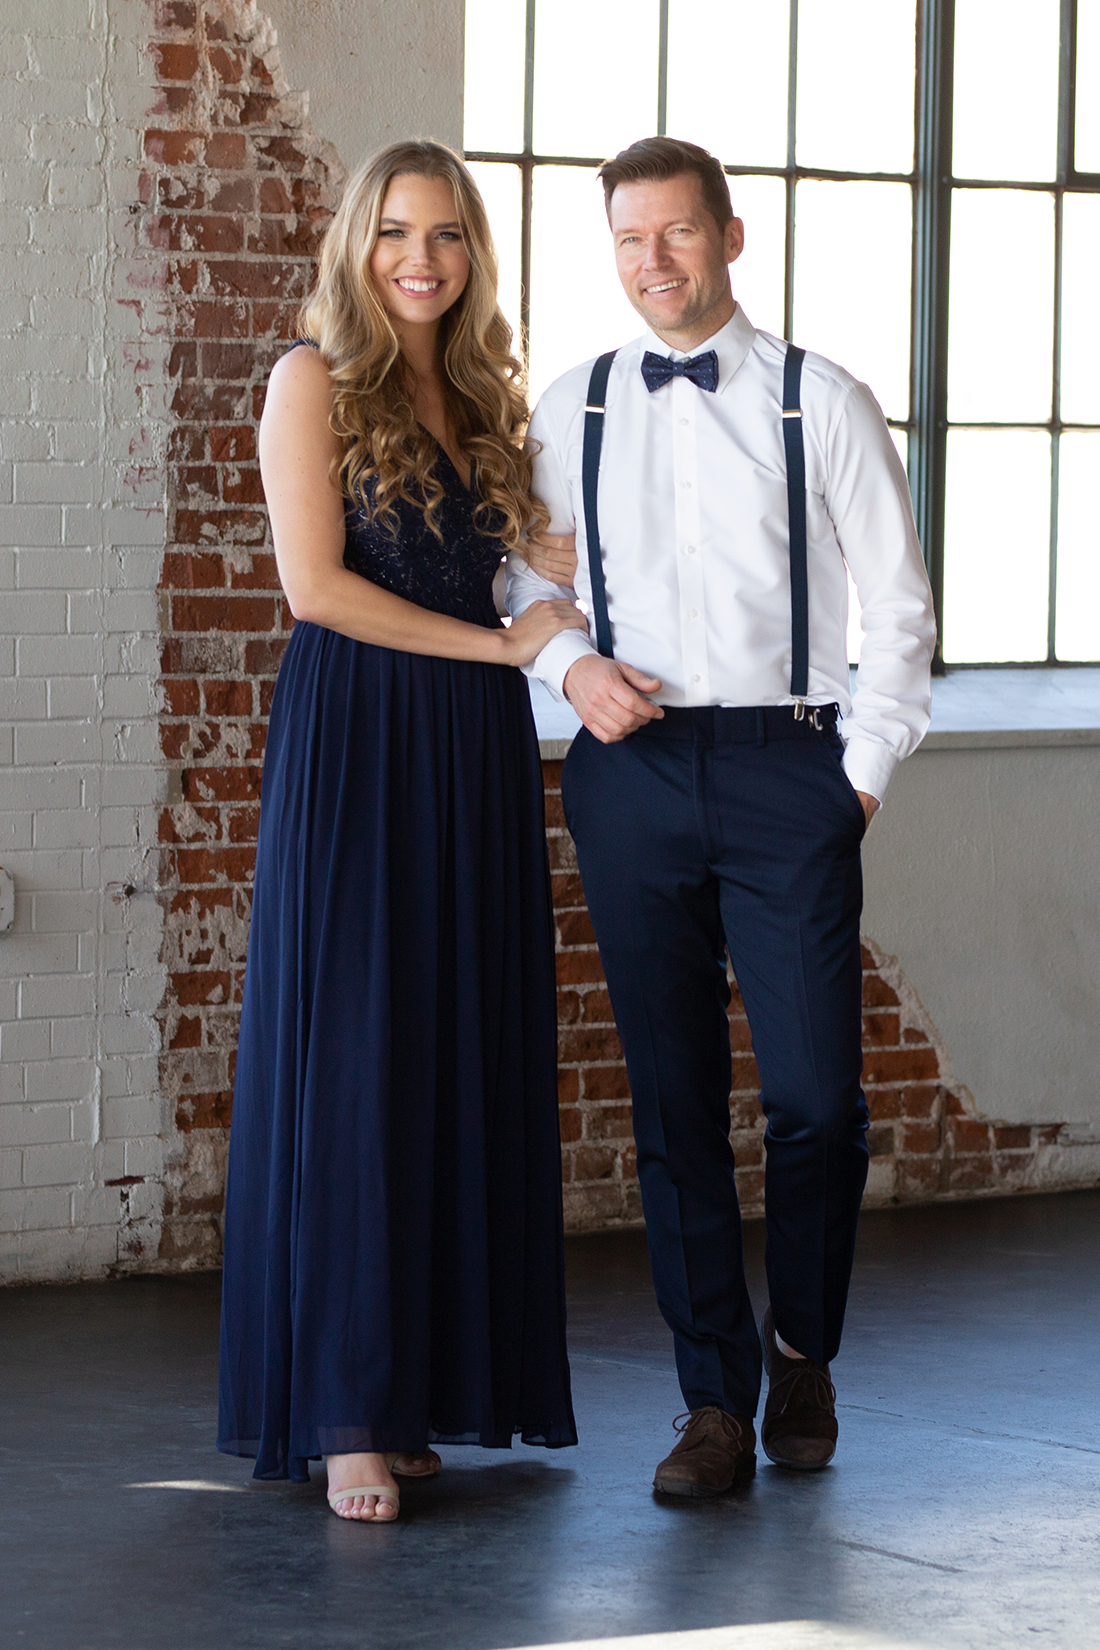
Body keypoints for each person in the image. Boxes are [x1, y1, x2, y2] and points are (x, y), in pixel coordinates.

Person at [509, 136, 936, 1496]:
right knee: (673, 1099)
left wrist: (854, 778)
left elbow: (901, 605)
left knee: (816, 1097)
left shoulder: (824, 400)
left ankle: (802, 1347)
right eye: (632, 240)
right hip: (628, 776)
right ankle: (710, 1402)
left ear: (731, 238)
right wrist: (568, 665)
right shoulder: (571, 407)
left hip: (786, 771)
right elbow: (518, 583)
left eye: (678, 234)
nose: (655, 262)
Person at [217, 140, 584, 1522]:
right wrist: (507, 650)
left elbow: (521, 568)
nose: (420, 258)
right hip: (364, 736)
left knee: (449, 1045)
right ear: (355, 248)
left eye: (444, 234)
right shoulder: (308, 378)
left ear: (472, 252)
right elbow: (316, 591)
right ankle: (345, 1407)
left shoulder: (481, 391)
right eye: (393, 233)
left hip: (470, 755)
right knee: (359, 1057)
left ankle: (418, 1383)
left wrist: (553, 586)